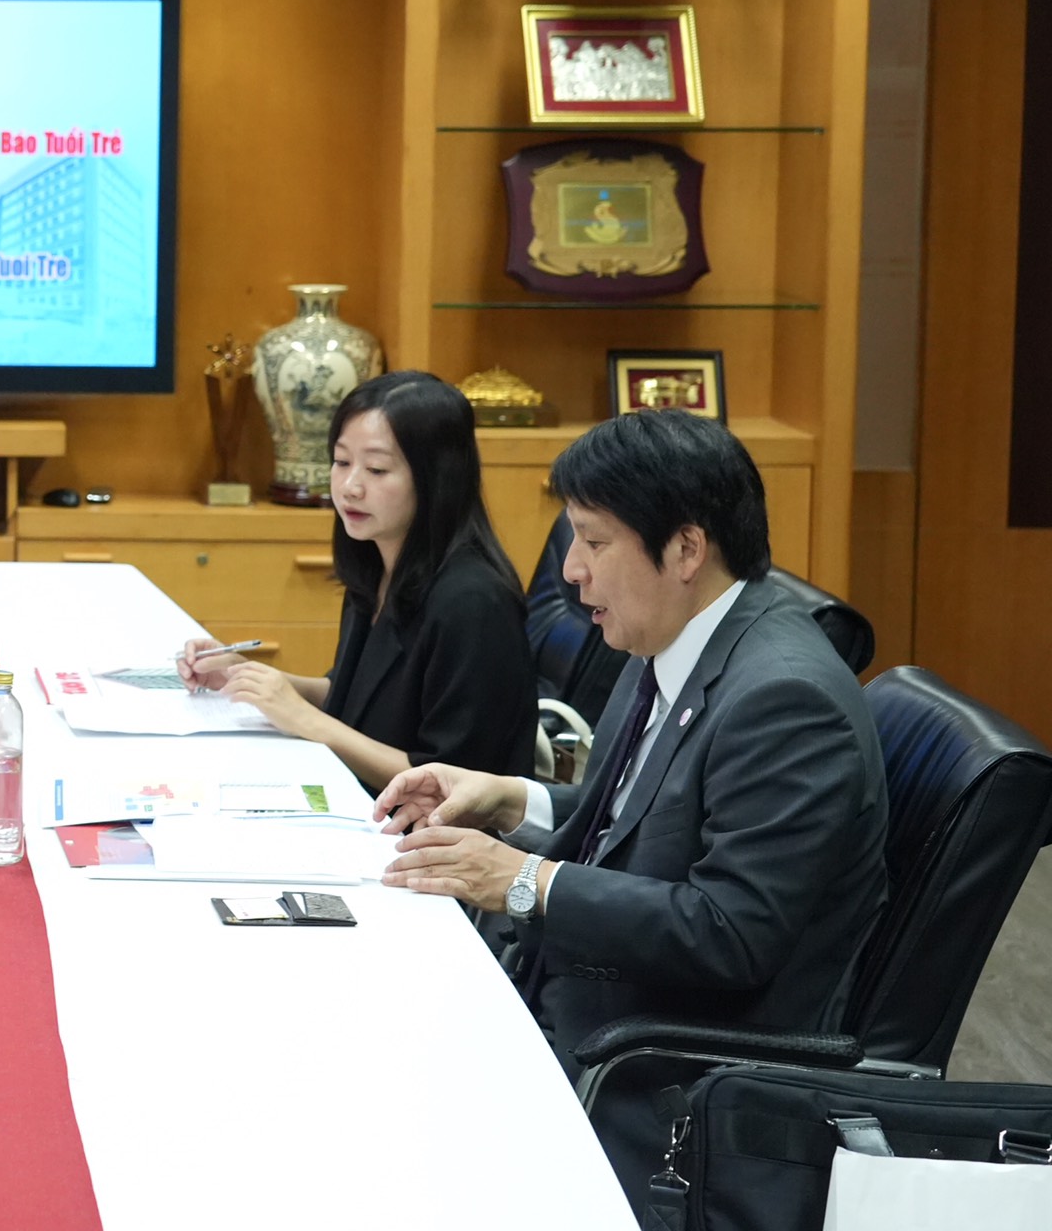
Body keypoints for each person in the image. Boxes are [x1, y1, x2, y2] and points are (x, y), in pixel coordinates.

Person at [371, 409, 886, 1184]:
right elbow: (632, 820)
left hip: (660, 1065)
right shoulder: (676, 636)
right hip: (577, 994)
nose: (571, 570)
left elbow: (730, 932)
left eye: (593, 540)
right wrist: (505, 797)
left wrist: (518, 878)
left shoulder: (784, 698)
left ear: (685, 548)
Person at [175, 370, 535, 787]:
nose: (349, 487)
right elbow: (357, 697)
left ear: (438, 478)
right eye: (342, 462)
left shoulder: (474, 602)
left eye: (377, 470)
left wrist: (307, 720)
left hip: (439, 838)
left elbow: (455, 784)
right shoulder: (375, 563)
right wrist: (242, 676)